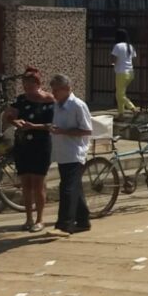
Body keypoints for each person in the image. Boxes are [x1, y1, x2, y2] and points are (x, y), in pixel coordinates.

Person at [2, 67, 55, 232]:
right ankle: (28, 218)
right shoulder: (21, 100)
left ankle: (39, 219)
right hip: (23, 143)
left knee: (38, 183)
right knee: (25, 183)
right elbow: (9, 114)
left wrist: (35, 126)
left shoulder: (49, 101)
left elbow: (54, 125)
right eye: (24, 85)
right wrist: (15, 122)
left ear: (37, 84)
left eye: (29, 85)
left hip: (41, 143)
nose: (26, 88)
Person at [47, 74, 92, 234]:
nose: (54, 93)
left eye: (56, 90)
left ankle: (64, 224)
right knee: (75, 188)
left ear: (66, 89)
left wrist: (64, 131)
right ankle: (83, 220)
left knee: (67, 188)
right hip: (62, 152)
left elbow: (87, 130)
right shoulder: (57, 106)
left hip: (75, 153)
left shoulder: (77, 105)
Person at [111, 28, 139, 119]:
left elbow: (114, 58)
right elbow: (134, 57)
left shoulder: (117, 46)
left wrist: (113, 63)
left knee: (120, 94)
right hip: (130, 72)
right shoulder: (129, 46)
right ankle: (121, 114)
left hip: (121, 72)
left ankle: (133, 108)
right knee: (121, 93)